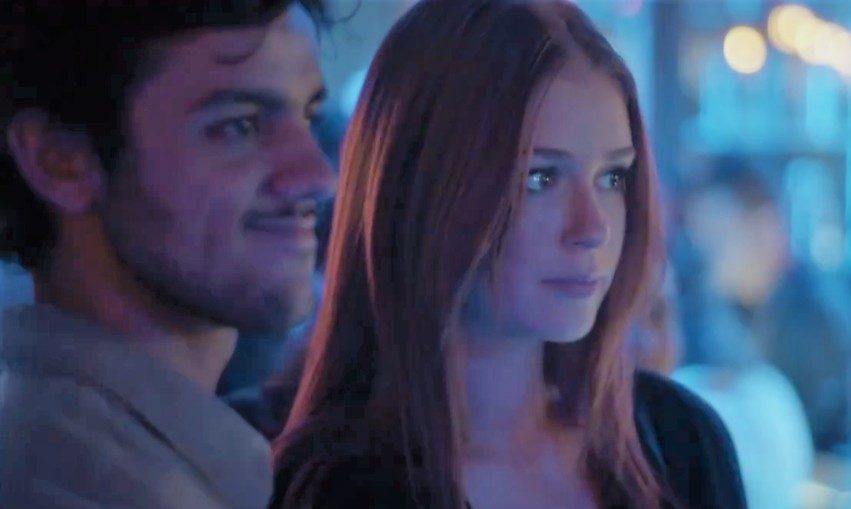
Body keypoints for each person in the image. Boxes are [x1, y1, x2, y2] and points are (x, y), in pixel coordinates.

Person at [271, 1, 745, 508]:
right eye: (540, 178)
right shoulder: (333, 488)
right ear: (424, 189)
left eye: (612, 177)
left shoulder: (677, 442)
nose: (592, 229)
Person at [0, 1, 335, 508]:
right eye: (239, 125)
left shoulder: (142, 461)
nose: (319, 176)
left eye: (309, 117)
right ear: (59, 161)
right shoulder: (73, 484)